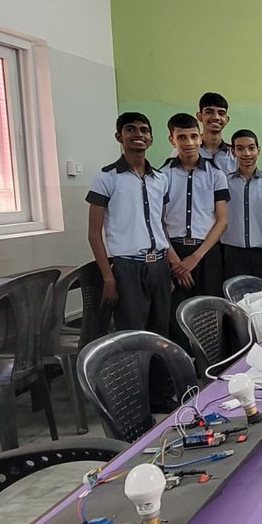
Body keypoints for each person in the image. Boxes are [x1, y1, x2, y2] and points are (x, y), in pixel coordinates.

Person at [85, 113, 174, 409]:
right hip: (126, 267)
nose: (138, 134)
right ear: (119, 137)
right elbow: (94, 234)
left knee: (161, 333)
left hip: (158, 264)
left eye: (144, 130)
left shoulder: (160, 179)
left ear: (151, 138)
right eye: (130, 130)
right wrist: (109, 277)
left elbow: (161, 224)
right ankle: (135, 401)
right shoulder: (107, 178)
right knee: (133, 336)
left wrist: (169, 265)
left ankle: (161, 397)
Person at [161, 113, 229, 345]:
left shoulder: (216, 175)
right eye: (181, 137)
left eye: (192, 136)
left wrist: (195, 258)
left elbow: (222, 221)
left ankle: (209, 368)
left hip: (206, 252)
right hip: (174, 252)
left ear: (200, 139)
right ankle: (183, 367)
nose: (188, 143)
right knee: (176, 314)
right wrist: (176, 262)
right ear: (172, 140)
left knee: (209, 313)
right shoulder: (161, 176)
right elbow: (157, 222)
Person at [224, 129, 262, 280]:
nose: (247, 153)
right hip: (233, 253)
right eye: (240, 148)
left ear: (258, 151)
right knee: (235, 299)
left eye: (251, 148)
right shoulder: (224, 182)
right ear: (233, 151)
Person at [195, 92, 237, 174]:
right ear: (200, 116)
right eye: (209, 112)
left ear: (227, 120)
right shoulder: (187, 150)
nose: (216, 117)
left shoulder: (234, 154)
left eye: (221, 113)